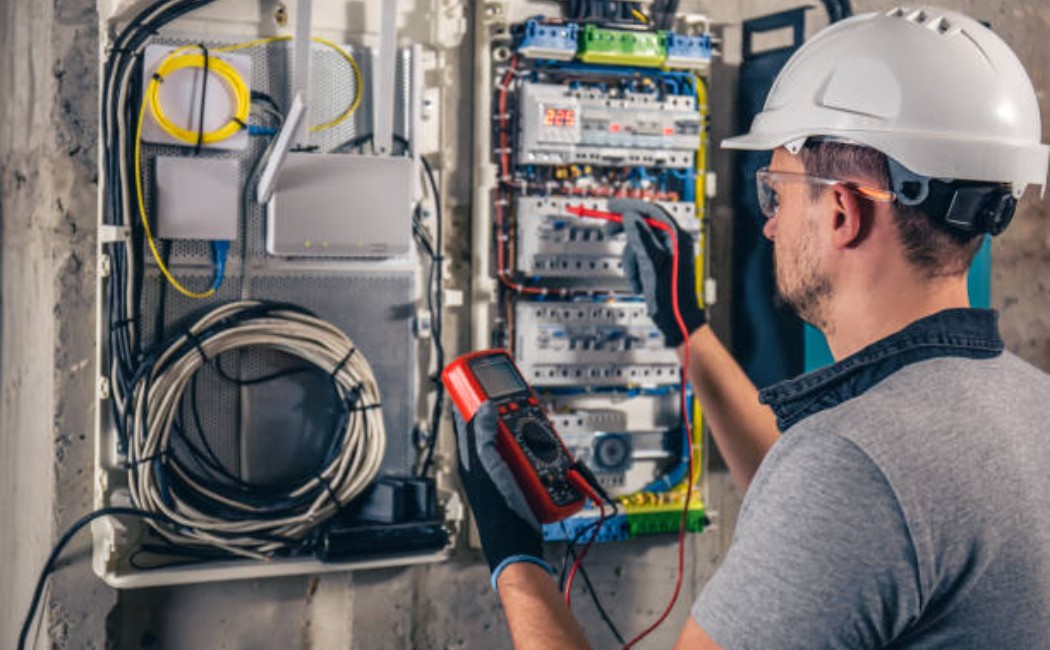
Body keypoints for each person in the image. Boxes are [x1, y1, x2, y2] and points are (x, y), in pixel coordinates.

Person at [453, 6, 1050, 648]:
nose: (769, 224)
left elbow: (850, 500)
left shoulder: (852, 470)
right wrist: (687, 332)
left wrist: (516, 563)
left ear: (843, 212)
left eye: (778, 193)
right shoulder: (1028, 408)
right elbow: (852, 531)